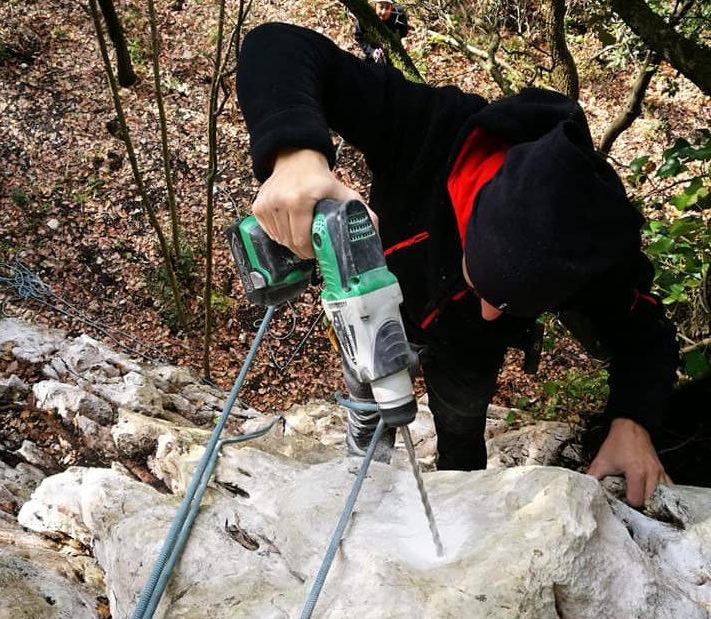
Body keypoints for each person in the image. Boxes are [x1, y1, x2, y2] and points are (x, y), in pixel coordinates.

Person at [235, 22, 678, 507]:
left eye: (514, 305)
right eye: (484, 286)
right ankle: (362, 473)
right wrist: (295, 155)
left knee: (462, 428)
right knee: (368, 401)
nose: (492, 312)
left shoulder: (588, 240)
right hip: (371, 308)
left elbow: (645, 335)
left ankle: (458, 498)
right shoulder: (424, 128)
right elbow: (276, 45)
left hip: (466, 352)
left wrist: (632, 421)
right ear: (470, 225)